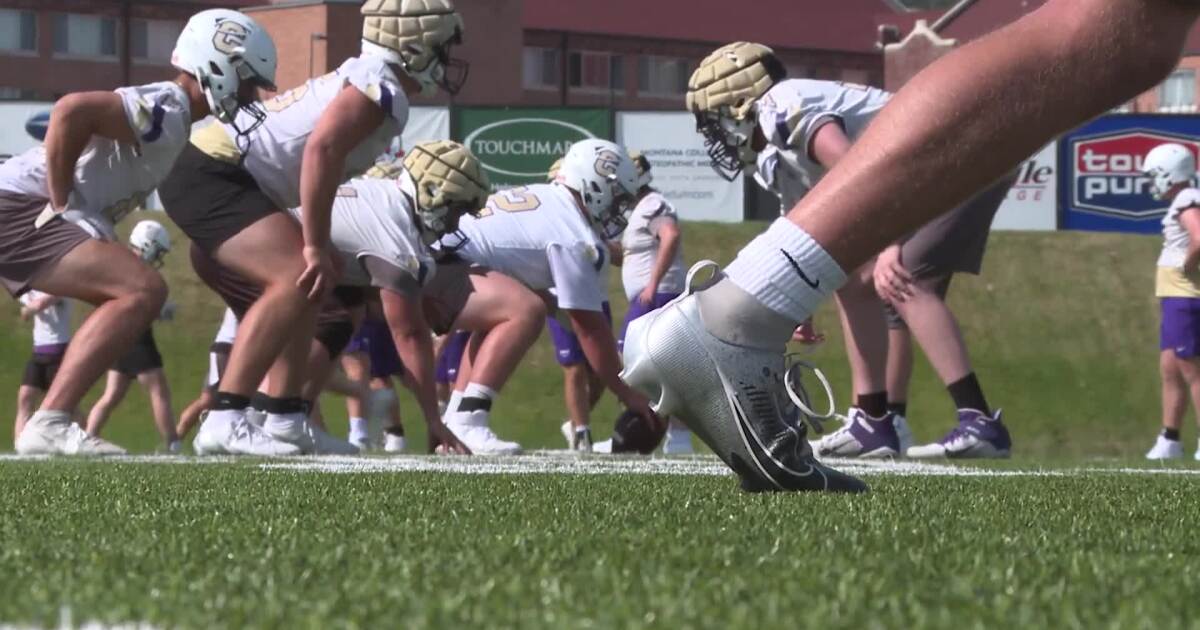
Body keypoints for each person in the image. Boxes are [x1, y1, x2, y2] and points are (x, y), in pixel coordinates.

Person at [622, 0, 1200, 492]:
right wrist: (792, 299)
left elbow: (843, 163)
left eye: (716, 118)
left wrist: (890, 238)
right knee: (1138, 37)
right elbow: (810, 228)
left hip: (956, 157)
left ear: (740, 98)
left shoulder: (781, 105)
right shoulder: (774, 150)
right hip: (954, 162)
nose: (716, 135)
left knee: (906, 279)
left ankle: (974, 420)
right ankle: (873, 414)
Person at [160, 0, 468, 456]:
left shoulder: (370, 80)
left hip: (227, 174)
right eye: (440, 46)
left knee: (312, 282)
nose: (445, 59)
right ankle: (226, 416)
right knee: (296, 273)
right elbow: (320, 152)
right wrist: (314, 245)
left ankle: (285, 416)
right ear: (413, 45)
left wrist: (318, 251)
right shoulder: (377, 88)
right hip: (212, 170)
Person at [0, 9, 276, 456]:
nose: (248, 96)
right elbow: (71, 111)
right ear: (218, 66)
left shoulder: (178, 117)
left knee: (129, 296)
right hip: (20, 207)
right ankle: (51, 421)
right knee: (140, 290)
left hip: (17, 206)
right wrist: (62, 202)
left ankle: (52, 419)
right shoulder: (169, 108)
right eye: (247, 82)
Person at [288, 141, 546, 456]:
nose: (454, 222)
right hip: (282, 247)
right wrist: (433, 420)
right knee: (333, 322)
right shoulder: (397, 240)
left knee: (343, 315)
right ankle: (271, 413)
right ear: (432, 191)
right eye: (455, 209)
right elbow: (409, 335)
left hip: (283, 239)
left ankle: (282, 414)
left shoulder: (384, 198)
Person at [451, 139, 660, 453]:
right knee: (525, 310)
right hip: (438, 274)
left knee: (511, 309)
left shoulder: (550, 200)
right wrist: (626, 391)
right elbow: (589, 328)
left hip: (443, 264)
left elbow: (561, 309)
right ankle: (468, 420)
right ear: (594, 183)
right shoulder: (573, 233)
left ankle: (457, 417)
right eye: (616, 196)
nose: (618, 208)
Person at [592, 151, 693, 455]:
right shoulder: (639, 209)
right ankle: (670, 435)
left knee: (634, 361)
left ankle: (650, 431)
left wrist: (652, 283)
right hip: (652, 294)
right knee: (659, 367)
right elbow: (630, 256)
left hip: (659, 294)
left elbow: (670, 235)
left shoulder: (653, 204)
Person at [85, 221, 181, 452]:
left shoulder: (121, 263)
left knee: (112, 395)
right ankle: (172, 443)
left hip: (120, 335)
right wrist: (160, 309)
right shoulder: (133, 267)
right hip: (135, 336)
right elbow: (136, 301)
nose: (158, 257)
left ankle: (88, 436)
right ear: (147, 245)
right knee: (159, 389)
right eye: (157, 251)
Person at [1142, 143, 1200, 461]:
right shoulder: (1183, 199)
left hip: (1185, 297)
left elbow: (1199, 236)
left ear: (1168, 174)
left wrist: (1187, 265)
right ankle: (1170, 438)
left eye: (1155, 176)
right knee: (1170, 368)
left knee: (1191, 371)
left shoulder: (1186, 199)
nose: (1152, 183)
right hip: (1176, 297)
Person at [14, 291, 73, 442]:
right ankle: (20, 446)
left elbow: (39, 304)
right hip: (38, 353)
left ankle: (86, 434)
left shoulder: (61, 288)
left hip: (58, 354)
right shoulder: (35, 290)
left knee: (67, 406)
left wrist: (27, 309)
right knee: (25, 397)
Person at [176, 307, 239, 441]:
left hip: (233, 349)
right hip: (227, 350)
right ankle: (175, 439)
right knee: (208, 400)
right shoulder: (248, 293)